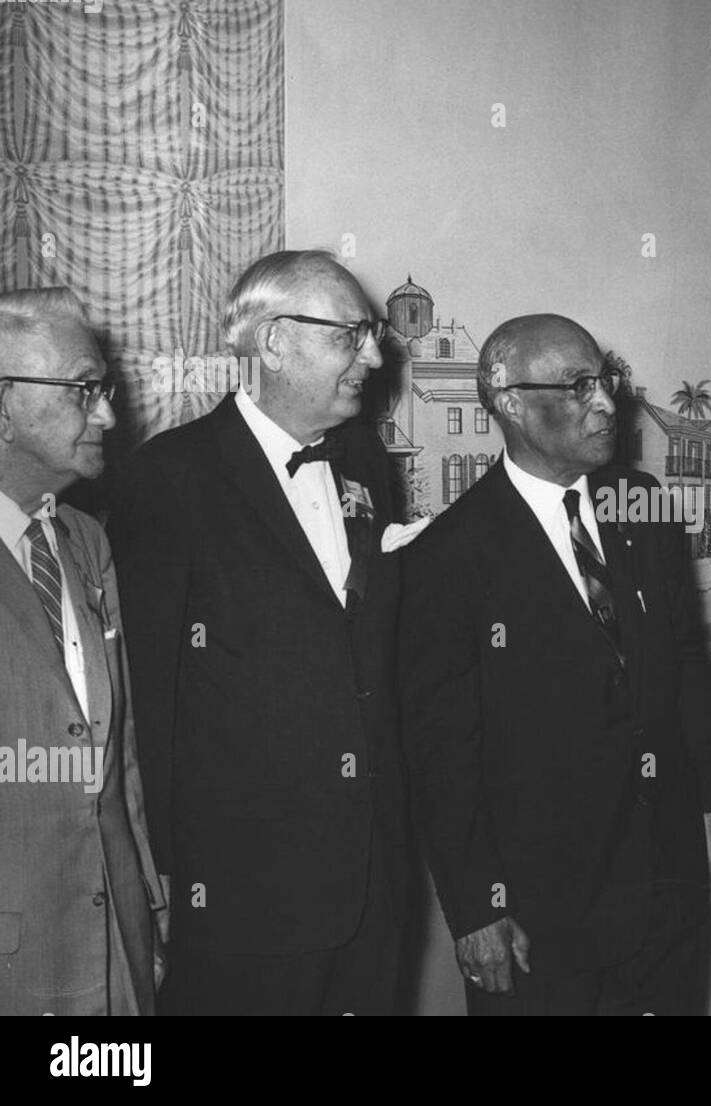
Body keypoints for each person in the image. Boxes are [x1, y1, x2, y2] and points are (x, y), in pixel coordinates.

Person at [401, 313, 711, 1015]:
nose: (607, 402)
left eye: (605, 380)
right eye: (579, 385)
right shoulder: (448, 557)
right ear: (509, 401)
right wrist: (473, 912)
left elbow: (687, 672)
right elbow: (443, 754)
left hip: (665, 891)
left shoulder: (643, 507)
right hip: (537, 917)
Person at [109, 251, 409, 1015]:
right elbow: (147, 692)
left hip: (371, 883)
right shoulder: (169, 477)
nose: (374, 357)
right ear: (274, 342)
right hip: (242, 892)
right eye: (352, 336)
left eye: (372, 335)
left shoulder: (367, 465)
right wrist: (166, 873)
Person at [0, 288, 165, 1015]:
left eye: (104, 390)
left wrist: (149, 908)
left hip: (116, 953)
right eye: (82, 390)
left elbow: (114, 753)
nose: (107, 415)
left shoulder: (85, 541)